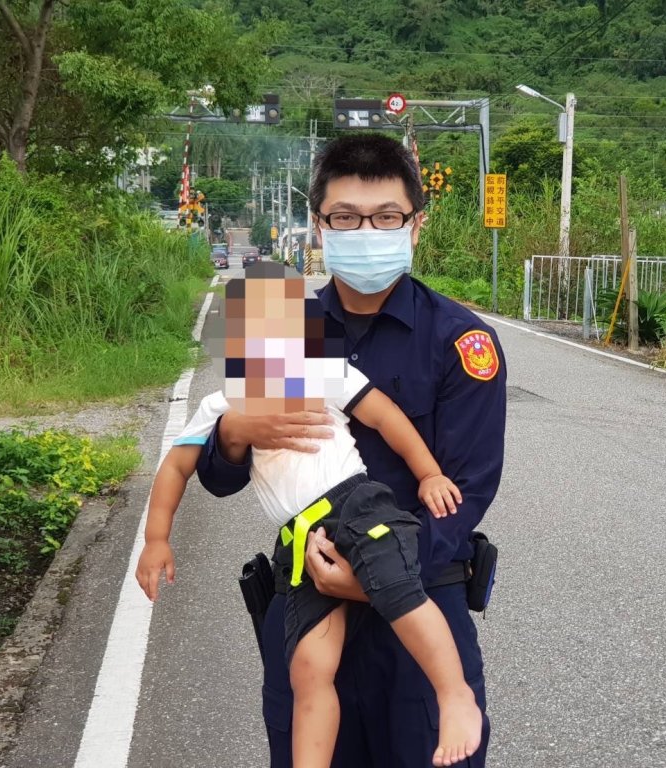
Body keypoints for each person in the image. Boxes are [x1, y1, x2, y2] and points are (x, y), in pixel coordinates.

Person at [196, 133, 507, 767]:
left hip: (417, 608)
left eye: (386, 217)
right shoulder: (279, 331)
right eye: (345, 217)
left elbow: (465, 491)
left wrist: (378, 579)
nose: (367, 231)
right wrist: (237, 432)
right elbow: (218, 478)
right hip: (307, 601)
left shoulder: (460, 341)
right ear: (319, 226)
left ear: (416, 225)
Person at [134, 265, 482, 767]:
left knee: (398, 590)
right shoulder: (224, 403)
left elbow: (386, 416)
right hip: (300, 537)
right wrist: (156, 538)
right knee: (308, 667)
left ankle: (454, 695)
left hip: (355, 507)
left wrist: (428, 474)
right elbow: (177, 465)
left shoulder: (323, 372)